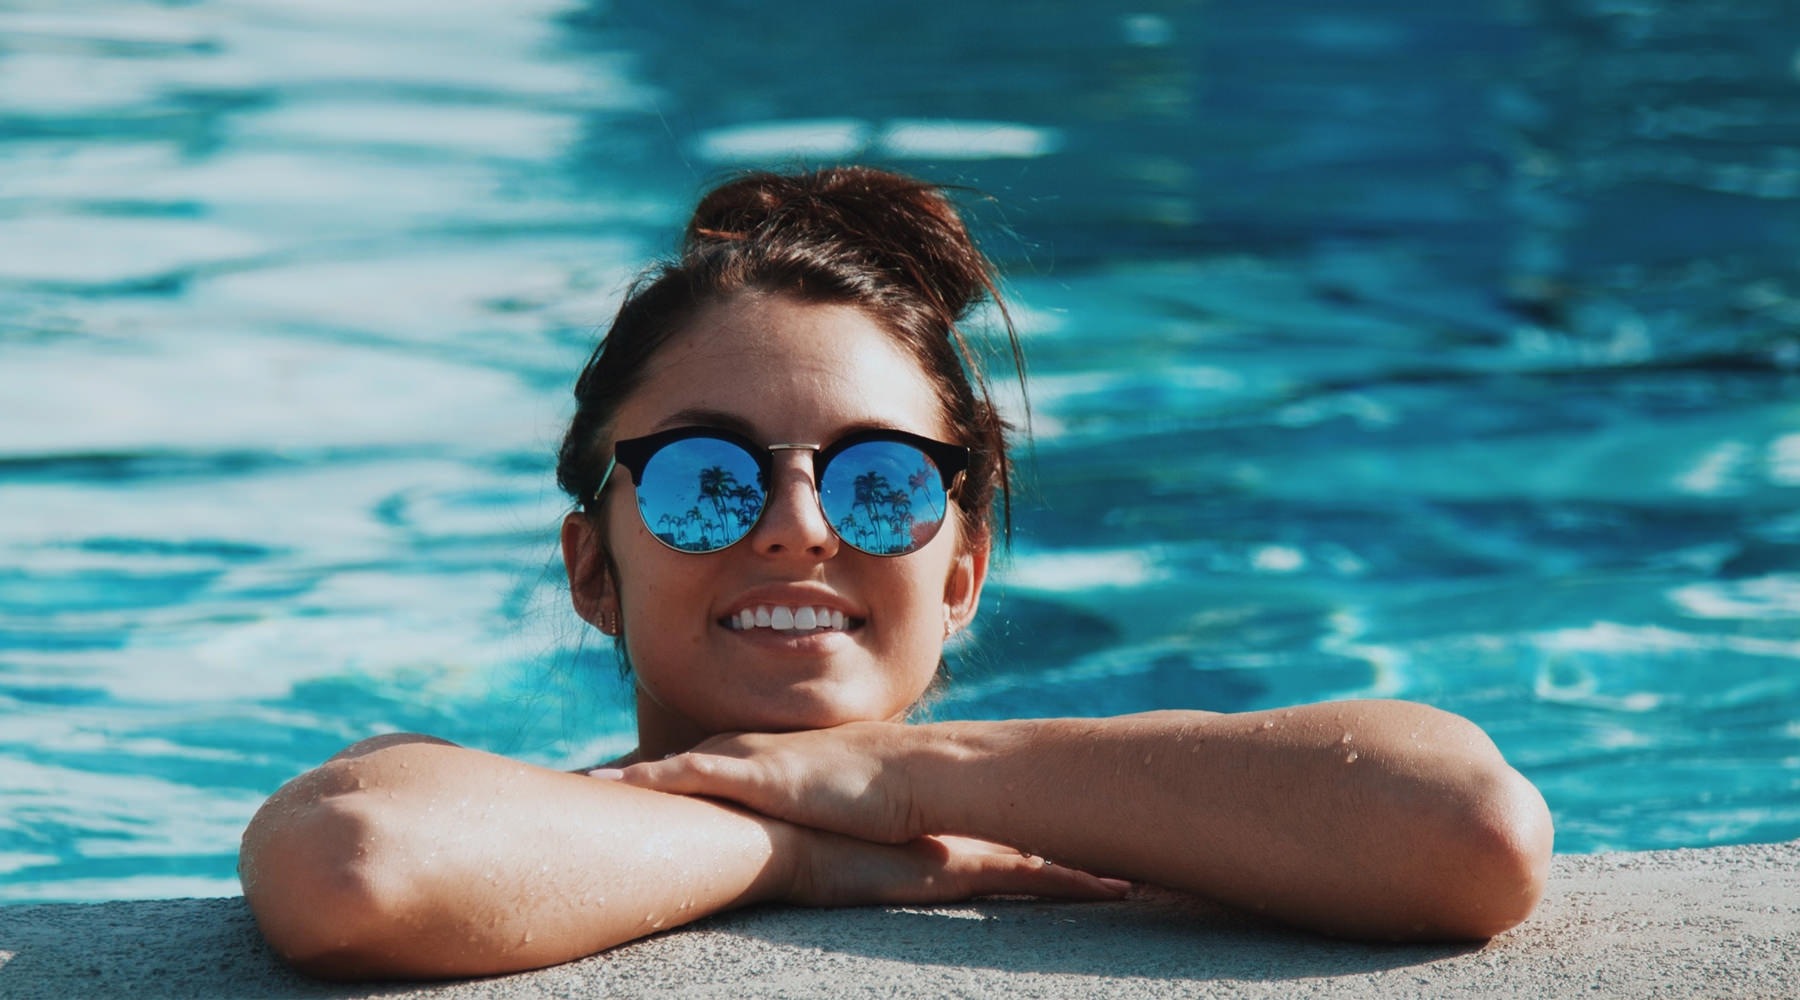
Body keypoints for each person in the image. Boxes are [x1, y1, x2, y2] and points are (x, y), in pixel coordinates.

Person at [238, 166, 1554, 981]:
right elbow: (360, 863)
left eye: (883, 483)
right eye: (709, 479)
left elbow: (1467, 831)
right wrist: (798, 852)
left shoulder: (1153, 808)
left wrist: (908, 778)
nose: (801, 526)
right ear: (594, 566)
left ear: (963, 569)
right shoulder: (498, 816)